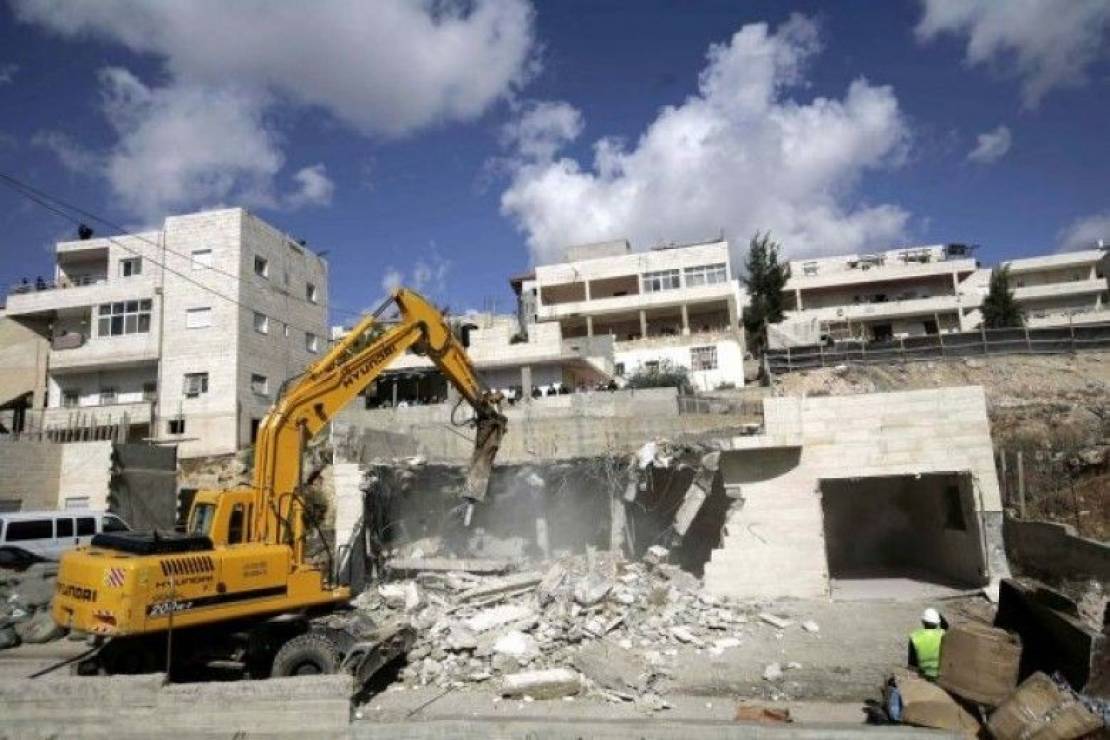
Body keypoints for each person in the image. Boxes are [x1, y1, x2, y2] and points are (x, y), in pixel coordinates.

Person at [907, 607, 948, 680]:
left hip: (924, 675)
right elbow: (946, 626)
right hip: (941, 676)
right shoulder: (943, 634)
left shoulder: (914, 637)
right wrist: (939, 614)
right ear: (937, 623)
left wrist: (912, 681)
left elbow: (912, 664)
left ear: (922, 622)